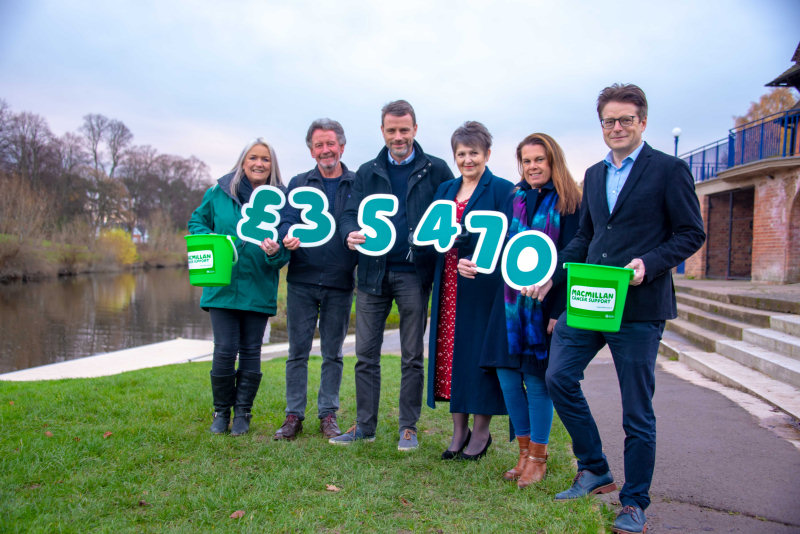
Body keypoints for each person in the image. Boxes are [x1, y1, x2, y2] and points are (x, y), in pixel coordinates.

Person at [543, 84, 705, 534]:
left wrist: (648, 264)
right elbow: (587, 237)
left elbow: (691, 233)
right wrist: (554, 274)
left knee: (636, 408)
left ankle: (634, 503)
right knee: (558, 377)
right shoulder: (594, 174)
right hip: (590, 299)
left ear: (642, 122)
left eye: (625, 120)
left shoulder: (669, 169)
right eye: (609, 121)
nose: (616, 127)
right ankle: (594, 468)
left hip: (639, 307)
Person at [331, 100, 455, 450]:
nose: (398, 136)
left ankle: (408, 428)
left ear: (415, 129)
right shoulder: (367, 171)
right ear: (382, 131)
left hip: (415, 274)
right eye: (391, 130)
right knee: (365, 355)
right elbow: (348, 214)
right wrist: (349, 232)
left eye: (404, 130)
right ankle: (364, 427)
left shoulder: (436, 169)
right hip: (372, 274)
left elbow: (452, 211)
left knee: (412, 355)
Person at [473, 133, 581, 485]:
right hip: (508, 305)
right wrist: (473, 261)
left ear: (553, 161)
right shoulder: (514, 198)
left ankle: (538, 456)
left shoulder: (570, 203)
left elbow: (575, 255)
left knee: (536, 381)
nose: (533, 166)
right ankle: (522, 454)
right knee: (507, 377)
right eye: (527, 160)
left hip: (545, 304)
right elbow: (499, 246)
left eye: (539, 159)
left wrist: (559, 310)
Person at [188, 138, 289, 436]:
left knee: (250, 351)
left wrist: (275, 252)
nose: (259, 163)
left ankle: (243, 412)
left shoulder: (282, 201)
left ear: (272, 165)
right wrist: (215, 241)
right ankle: (221, 412)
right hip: (222, 286)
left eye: (265, 159)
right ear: (243, 162)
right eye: (253, 158)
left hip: (259, 286)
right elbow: (196, 224)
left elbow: (285, 251)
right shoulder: (218, 193)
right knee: (224, 349)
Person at [426, 121, 513, 461]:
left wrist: (476, 250)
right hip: (449, 282)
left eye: (474, 153)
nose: (467, 160)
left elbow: (509, 239)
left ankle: (481, 433)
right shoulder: (445, 189)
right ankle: (458, 430)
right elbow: (432, 231)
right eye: (461, 154)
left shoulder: (502, 190)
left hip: (482, 287)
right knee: (451, 356)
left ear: (487, 154)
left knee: (477, 356)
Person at [273, 119, 358, 441]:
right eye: (319, 145)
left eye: (330, 143)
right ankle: (293, 415)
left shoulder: (357, 183)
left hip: (340, 280)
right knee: (297, 352)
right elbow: (284, 221)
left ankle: (328, 414)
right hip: (301, 280)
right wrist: (286, 235)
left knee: (333, 354)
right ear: (311, 150)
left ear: (342, 147)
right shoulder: (298, 183)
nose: (325, 150)